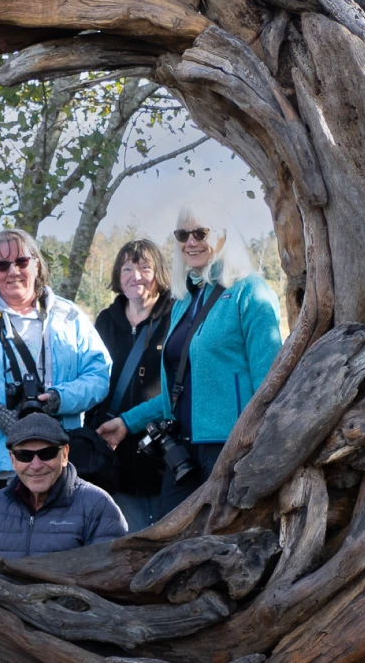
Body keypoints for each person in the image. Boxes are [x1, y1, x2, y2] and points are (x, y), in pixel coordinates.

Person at [98, 206, 283, 515]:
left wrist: (257, 445)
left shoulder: (250, 292)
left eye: (201, 233)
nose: (191, 242)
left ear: (223, 237)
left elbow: (272, 381)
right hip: (182, 450)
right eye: (183, 235)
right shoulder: (186, 301)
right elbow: (177, 389)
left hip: (230, 447)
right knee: (171, 544)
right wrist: (127, 423)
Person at [0, 228, 112, 510]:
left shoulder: (69, 317)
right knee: (3, 553)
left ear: (36, 265)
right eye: (2, 264)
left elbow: (99, 375)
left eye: (21, 261)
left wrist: (59, 399)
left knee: (63, 550)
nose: (13, 271)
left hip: (60, 465)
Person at [90, 239, 173, 532]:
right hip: (116, 454)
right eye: (127, 268)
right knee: (125, 542)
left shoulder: (176, 316)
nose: (135, 276)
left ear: (159, 272)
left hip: (165, 455)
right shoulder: (105, 321)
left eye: (144, 267)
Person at [0, 413, 128, 558]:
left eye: (47, 453)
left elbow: (108, 577)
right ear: (13, 460)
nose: (36, 465)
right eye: (24, 456)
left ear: (65, 454)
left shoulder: (98, 505)